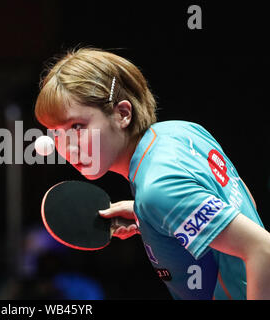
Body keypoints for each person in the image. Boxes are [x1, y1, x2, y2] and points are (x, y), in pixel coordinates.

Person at [34, 47, 270, 300]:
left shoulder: (158, 189)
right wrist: (151, 216)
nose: (67, 148)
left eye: (78, 126)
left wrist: (159, 204)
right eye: (56, 133)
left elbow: (262, 248)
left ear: (122, 114)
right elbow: (242, 203)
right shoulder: (182, 132)